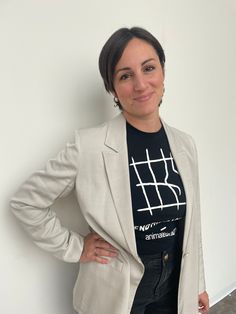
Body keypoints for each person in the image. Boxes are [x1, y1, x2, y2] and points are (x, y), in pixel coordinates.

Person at [10, 27, 209, 314]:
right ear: (113, 88)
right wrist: (76, 247)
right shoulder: (88, 146)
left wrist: (197, 282)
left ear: (162, 74)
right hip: (116, 292)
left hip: (174, 282)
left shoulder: (185, 144)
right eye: (125, 75)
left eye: (149, 68)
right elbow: (26, 202)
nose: (141, 84)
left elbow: (191, 225)